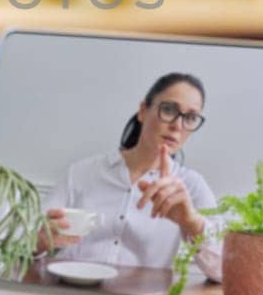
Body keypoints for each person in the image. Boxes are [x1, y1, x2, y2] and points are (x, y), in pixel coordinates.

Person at [37, 73, 224, 282]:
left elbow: (225, 272)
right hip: (71, 294)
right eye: (169, 110)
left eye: (190, 117)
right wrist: (38, 242)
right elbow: (26, 243)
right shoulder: (81, 173)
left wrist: (191, 222)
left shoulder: (191, 186)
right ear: (143, 111)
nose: (177, 125)